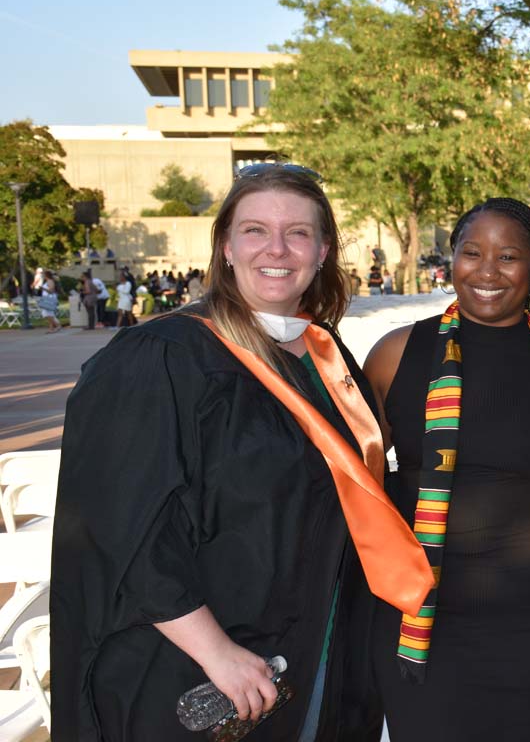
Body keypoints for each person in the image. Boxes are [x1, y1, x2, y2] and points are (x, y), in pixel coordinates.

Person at [51, 163, 433, 741]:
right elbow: (119, 528)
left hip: (318, 649)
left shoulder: (324, 356)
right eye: (255, 230)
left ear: (323, 249)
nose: (276, 249)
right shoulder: (161, 357)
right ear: (226, 246)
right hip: (202, 669)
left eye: (298, 232)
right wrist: (217, 652)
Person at [363, 197, 530, 742]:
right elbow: (357, 483)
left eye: (508, 256)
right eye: (471, 252)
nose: (486, 271)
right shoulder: (395, 355)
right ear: (451, 259)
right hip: (425, 629)